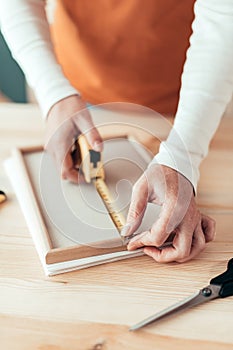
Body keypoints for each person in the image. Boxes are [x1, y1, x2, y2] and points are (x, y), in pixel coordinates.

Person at [0, 0, 232, 263]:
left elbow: (223, 16)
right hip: (69, 82)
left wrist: (183, 153)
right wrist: (54, 94)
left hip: (187, 101)